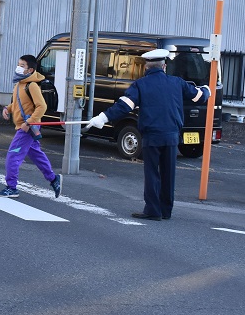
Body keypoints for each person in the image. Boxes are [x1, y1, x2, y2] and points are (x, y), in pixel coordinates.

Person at [88, 48, 210, 220]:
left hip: (152, 136)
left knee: (152, 173)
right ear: (164, 66)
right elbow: (200, 96)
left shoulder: (140, 85)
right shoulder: (177, 82)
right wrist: (207, 89)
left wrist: (102, 118)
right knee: (169, 174)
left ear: (146, 67)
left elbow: (124, 106)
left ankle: (153, 210)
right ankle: (166, 210)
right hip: (172, 136)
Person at [0, 55, 62, 199]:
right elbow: (19, 104)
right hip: (26, 126)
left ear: (30, 69)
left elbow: (41, 106)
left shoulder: (31, 85)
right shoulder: (19, 84)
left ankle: (11, 187)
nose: (19, 67)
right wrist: (8, 108)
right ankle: (53, 179)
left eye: (22, 65)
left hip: (27, 127)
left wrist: (29, 122)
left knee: (13, 156)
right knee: (36, 154)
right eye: (18, 64)